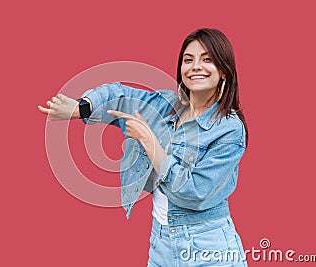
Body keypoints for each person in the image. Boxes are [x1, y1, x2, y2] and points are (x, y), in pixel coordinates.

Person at [38, 28, 249, 266]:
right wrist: (81, 108)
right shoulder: (165, 105)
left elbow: (195, 193)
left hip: (208, 249)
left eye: (207, 59)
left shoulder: (229, 129)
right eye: (188, 60)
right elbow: (120, 95)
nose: (196, 66)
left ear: (223, 71)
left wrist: (149, 142)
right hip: (161, 243)